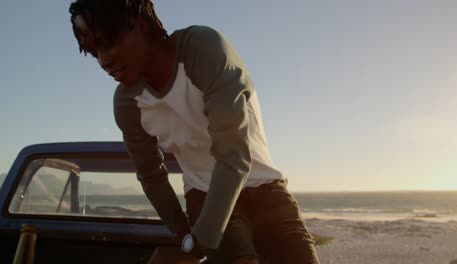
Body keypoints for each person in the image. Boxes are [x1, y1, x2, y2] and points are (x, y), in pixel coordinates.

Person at [69, 0, 320, 263]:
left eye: (108, 43)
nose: (103, 60)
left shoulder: (202, 49)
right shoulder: (127, 104)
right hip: (203, 193)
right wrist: (184, 234)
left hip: (267, 188)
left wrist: (201, 239)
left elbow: (233, 156)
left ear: (141, 25)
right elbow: (151, 174)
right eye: (93, 51)